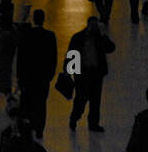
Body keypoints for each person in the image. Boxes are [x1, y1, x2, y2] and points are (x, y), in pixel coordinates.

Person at [67, 16, 115, 133]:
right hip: (83, 74)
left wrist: (104, 36)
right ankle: (74, 118)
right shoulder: (78, 38)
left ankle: (93, 123)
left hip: (96, 74)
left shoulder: (100, 39)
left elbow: (111, 48)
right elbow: (71, 54)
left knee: (95, 101)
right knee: (81, 99)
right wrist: (69, 71)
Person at [16, 9, 57, 138]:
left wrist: (19, 76)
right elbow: (53, 57)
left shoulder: (26, 35)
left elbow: (21, 57)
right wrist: (50, 75)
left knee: (26, 102)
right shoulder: (50, 36)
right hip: (42, 77)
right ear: (43, 19)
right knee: (40, 103)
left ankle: (27, 127)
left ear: (33, 19)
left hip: (27, 76)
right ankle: (39, 128)